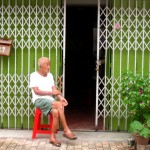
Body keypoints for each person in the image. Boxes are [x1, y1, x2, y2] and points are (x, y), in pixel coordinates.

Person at [29, 57, 77, 147]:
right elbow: (36, 91)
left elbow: (54, 89)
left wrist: (60, 97)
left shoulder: (50, 75)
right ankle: (66, 130)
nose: (49, 67)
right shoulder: (34, 75)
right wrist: (51, 93)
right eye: (47, 65)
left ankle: (52, 137)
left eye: (49, 65)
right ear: (40, 66)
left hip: (50, 100)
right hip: (38, 100)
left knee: (56, 112)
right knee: (59, 105)